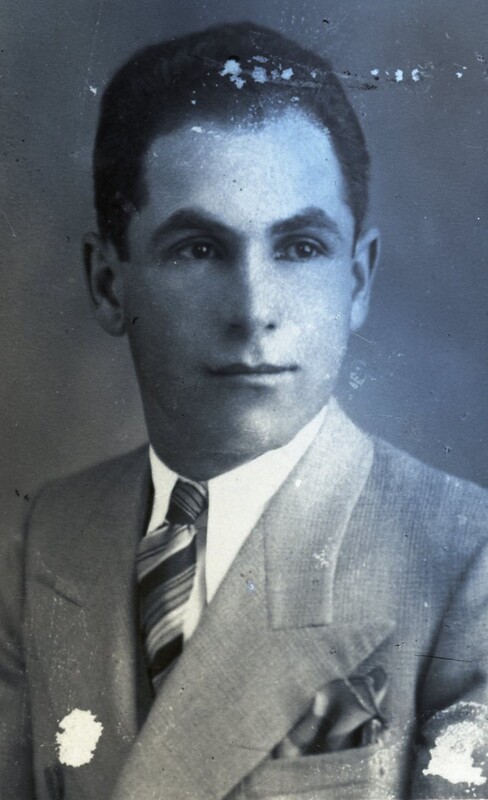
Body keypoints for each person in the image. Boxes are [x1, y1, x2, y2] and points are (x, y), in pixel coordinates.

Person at [2, 20, 488, 800]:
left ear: (357, 280)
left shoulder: (464, 563)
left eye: (299, 248)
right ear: (107, 283)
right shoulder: (46, 541)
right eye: (198, 249)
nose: (254, 311)